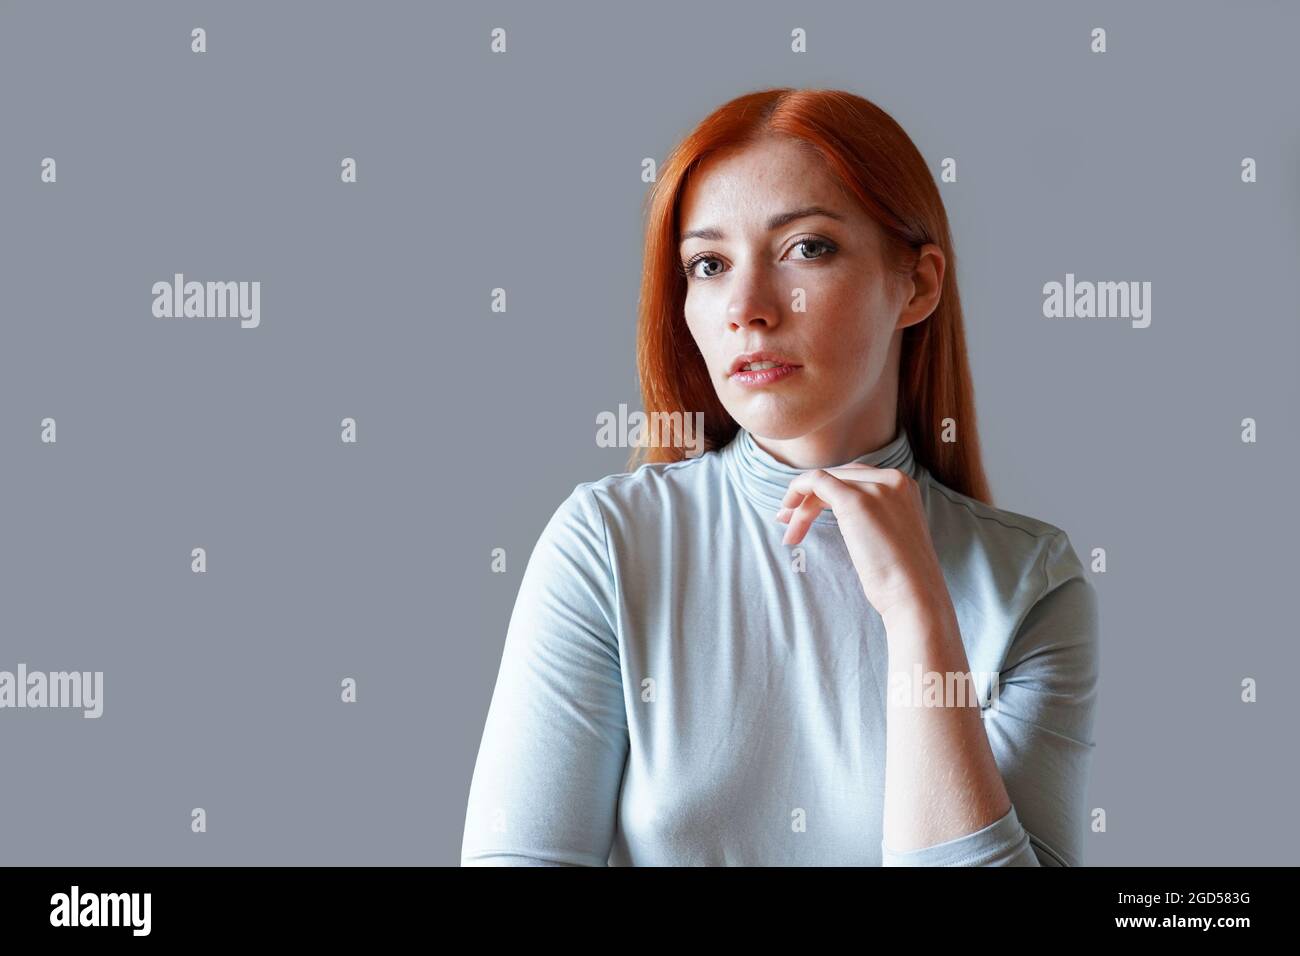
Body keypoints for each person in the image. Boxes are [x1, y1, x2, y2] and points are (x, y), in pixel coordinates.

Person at [460, 87, 1100, 866]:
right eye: (709, 264)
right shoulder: (607, 545)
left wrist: (920, 615)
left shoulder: (1031, 585)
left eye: (808, 248)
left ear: (918, 284)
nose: (749, 307)